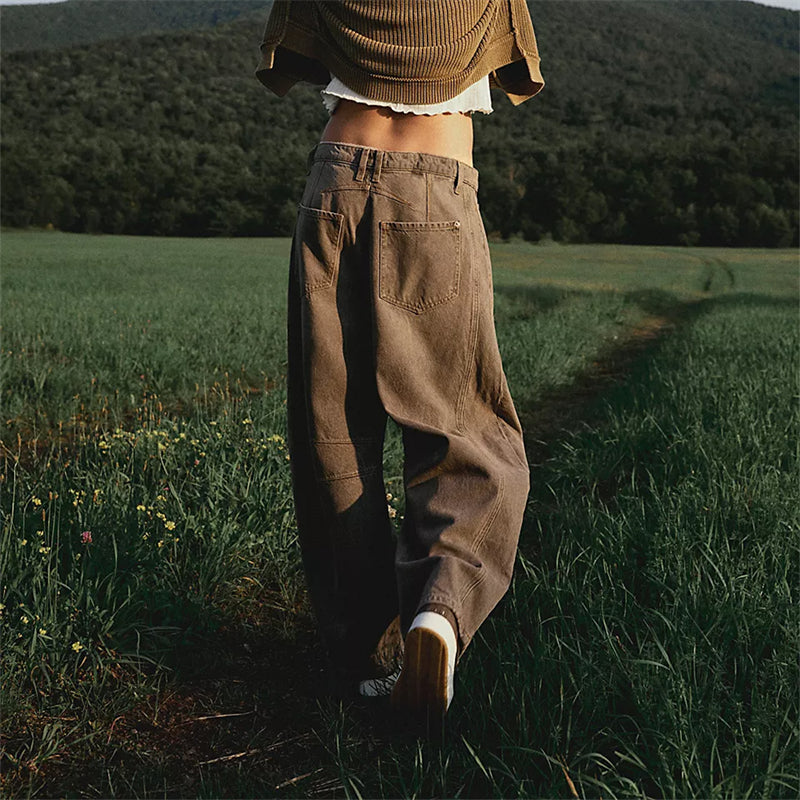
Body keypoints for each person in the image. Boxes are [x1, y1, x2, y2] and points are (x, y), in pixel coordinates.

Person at [255, 0, 544, 730]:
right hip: (434, 185)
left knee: (334, 433)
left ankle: (367, 657)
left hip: (335, 182)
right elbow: (515, 65)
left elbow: (292, 57)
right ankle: (437, 616)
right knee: (463, 428)